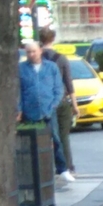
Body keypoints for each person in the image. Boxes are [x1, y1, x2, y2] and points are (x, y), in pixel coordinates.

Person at [19, 40, 64, 179]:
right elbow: (18, 91)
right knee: (30, 142)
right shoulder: (21, 68)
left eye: (33, 51)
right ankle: (33, 171)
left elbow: (58, 88)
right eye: (28, 52)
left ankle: (62, 169)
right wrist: (19, 109)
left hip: (48, 109)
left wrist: (54, 104)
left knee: (55, 139)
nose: (31, 54)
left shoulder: (51, 67)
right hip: (29, 110)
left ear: (40, 51)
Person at [38, 31, 77, 183]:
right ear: (53, 39)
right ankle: (67, 167)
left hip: (43, 102)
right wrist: (74, 105)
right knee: (63, 136)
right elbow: (69, 82)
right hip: (61, 101)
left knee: (45, 136)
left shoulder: (38, 59)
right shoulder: (61, 59)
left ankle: (46, 168)